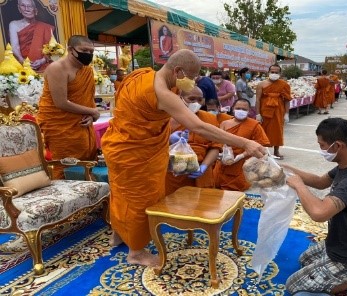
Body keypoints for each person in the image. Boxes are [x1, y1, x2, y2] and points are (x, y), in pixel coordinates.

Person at [101, 49, 266, 266]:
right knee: (139, 200)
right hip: (136, 154)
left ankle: (119, 235)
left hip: (119, 146)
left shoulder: (142, 75)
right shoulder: (162, 93)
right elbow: (198, 126)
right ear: (178, 71)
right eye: (191, 77)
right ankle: (136, 252)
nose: (193, 82)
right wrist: (245, 143)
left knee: (121, 193)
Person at [282, 117, 347, 296]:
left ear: (337, 146)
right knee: (304, 260)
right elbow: (321, 182)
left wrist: (299, 185)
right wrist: (285, 168)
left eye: (322, 145)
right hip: (341, 242)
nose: (321, 149)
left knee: (295, 287)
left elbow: (319, 213)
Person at [37, 35, 99, 179]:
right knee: (66, 163)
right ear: (70, 49)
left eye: (91, 52)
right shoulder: (57, 68)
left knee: (87, 160)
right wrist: (92, 112)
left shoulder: (87, 70)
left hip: (82, 123)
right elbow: (61, 102)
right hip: (60, 125)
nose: (88, 55)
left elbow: (88, 98)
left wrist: (90, 115)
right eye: (84, 50)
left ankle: (89, 193)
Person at [165, 86, 221, 195]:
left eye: (200, 100)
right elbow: (155, 145)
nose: (196, 103)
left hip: (202, 173)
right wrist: (169, 140)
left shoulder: (209, 119)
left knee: (203, 208)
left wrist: (204, 166)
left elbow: (216, 147)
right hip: (175, 173)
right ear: (180, 98)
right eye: (192, 99)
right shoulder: (169, 119)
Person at [214, 99, 269, 191]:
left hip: (241, 164)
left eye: (244, 109)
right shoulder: (224, 123)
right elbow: (217, 141)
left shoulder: (254, 125)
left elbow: (260, 144)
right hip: (224, 162)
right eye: (238, 108)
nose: (241, 111)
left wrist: (241, 155)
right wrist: (220, 153)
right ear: (233, 109)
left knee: (235, 193)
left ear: (249, 111)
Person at [255, 64, 291, 159]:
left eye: (276, 72)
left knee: (277, 130)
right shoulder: (261, 84)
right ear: (268, 72)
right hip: (264, 110)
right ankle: (262, 151)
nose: (274, 74)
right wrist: (258, 114)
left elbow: (287, 100)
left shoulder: (284, 85)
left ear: (280, 73)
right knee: (262, 131)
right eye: (272, 72)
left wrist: (286, 113)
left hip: (278, 111)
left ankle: (276, 151)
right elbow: (258, 100)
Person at [9, 0, 54, 71]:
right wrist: (23, 61)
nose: (26, 9)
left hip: (43, 63)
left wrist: (42, 61)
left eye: (30, 6)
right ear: (19, 8)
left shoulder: (45, 27)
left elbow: (52, 48)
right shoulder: (14, 24)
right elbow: (15, 47)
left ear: (35, 10)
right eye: (23, 5)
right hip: (22, 63)